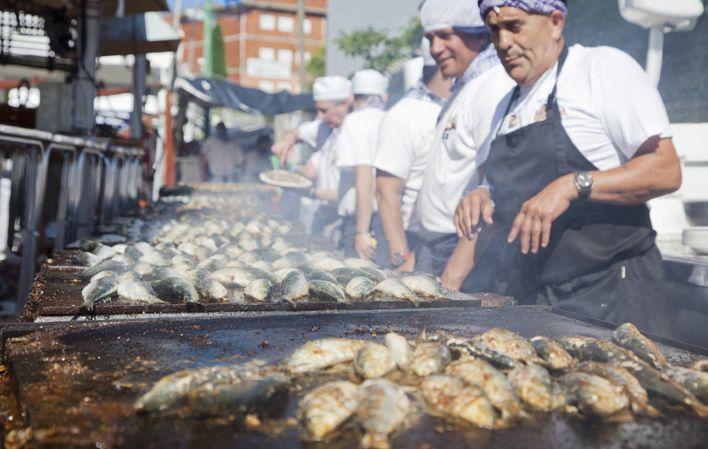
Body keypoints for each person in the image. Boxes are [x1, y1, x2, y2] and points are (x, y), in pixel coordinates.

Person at [456, 0, 683, 328]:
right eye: (494, 30)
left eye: (514, 26)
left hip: (609, 291)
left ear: (556, 22)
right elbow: (498, 185)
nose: (503, 43)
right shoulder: (505, 106)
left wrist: (574, 185)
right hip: (534, 295)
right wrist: (482, 194)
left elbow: (665, 169)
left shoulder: (599, 69)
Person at [413, 0, 512, 288]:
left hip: (460, 252)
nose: (435, 49)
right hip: (436, 247)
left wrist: (452, 276)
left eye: (446, 35)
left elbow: (491, 191)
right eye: (430, 38)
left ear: (480, 35)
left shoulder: (493, 87)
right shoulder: (465, 89)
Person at [374, 40, 451, 271]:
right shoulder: (406, 114)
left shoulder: (459, 105)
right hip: (416, 244)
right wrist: (401, 256)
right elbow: (386, 191)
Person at [271, 76, 352, 232]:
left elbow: (350, 193)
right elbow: (296, 133)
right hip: (323, 213)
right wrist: (286, 143)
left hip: (345, 219)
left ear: (343, 104)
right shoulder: (326, 129)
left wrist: (311, 192)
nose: (320, 116)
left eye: (324, 110)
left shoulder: (355, 133)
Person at [334, 69, 389, 262]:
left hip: (362, 220)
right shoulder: (389, 118)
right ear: (383, 96)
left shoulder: (355, 121)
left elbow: (364, 178)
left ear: (352, 97)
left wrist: (361, 232)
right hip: (387, 219)